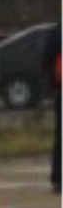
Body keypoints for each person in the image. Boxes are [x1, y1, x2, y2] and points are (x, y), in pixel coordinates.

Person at [44, 22, 63, 193]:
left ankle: (58, 179)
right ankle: (58, 179)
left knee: (61, 135)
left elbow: (46, 60)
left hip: (60, 89)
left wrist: (52, 84)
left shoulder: (56, 32)